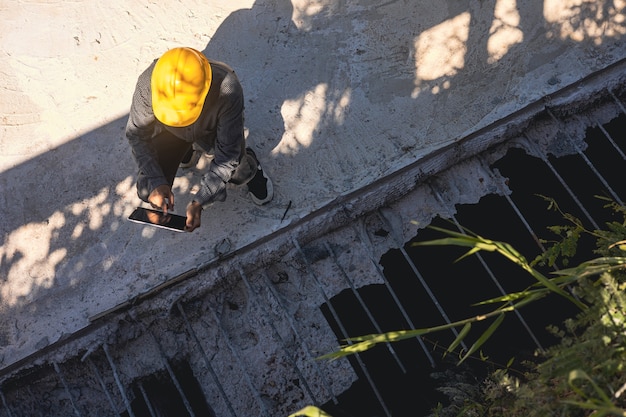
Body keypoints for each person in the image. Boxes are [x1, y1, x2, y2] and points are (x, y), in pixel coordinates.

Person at [126, 47, 273, 232]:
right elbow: (136, 134)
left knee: (237, 167)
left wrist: (201, 200)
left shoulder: (228, 89)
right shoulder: (147, 83)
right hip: (169, 131)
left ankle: (251, 167)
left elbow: (228, 154)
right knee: (148, 188)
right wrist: (157, 181)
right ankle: (186, 149)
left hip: (211, 130)